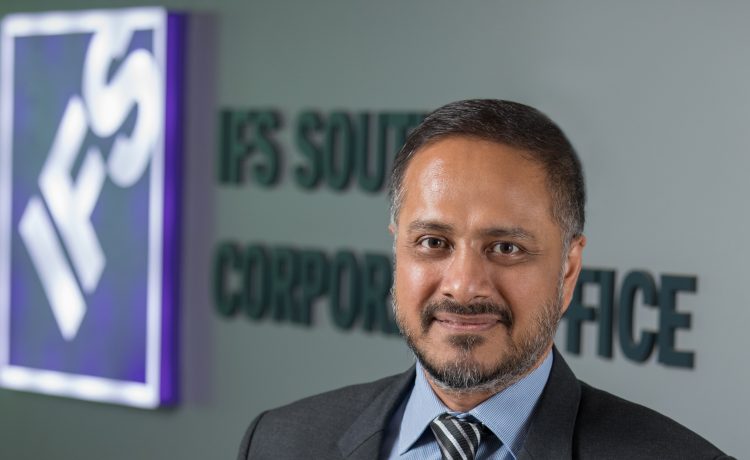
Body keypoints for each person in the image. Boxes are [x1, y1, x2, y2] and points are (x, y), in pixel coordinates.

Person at [237, 99, 731, 459]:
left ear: (568, 269)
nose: (463, 286)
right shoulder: (280, 442)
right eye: (433, 242)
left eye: (506, 248)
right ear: (397, 250)